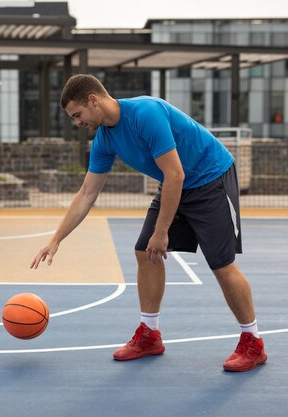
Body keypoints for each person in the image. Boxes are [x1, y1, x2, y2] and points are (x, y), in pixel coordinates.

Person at [30, 74, 267, 372]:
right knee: (145, 251)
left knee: (221, 263)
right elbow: (87, 192)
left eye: (77, 115)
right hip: (176, 182)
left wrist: (162, 232)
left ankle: (253, 341)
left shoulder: (145, 113)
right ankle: (149, 334)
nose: (77, 123)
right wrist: (55, 240)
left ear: (93, 100)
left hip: (210, 178)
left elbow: (175, 174)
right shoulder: (104, 139)